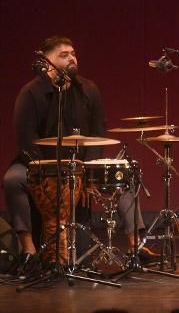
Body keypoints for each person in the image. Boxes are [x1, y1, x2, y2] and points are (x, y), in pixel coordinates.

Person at [4, 36, 145, 277]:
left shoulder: (88, 90)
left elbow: (98, 132)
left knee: (123, 176)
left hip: (81, 164)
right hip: (39, 166)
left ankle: (136, 247)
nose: (72, 58)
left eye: (73, 53)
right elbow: (26, 140)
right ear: (46, 61)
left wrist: (86, 169)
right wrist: (45, 171)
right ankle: (28, 248)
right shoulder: (30, 93)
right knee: (12, 179)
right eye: (64, 54)